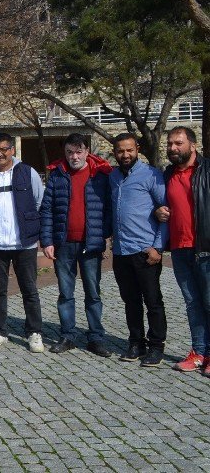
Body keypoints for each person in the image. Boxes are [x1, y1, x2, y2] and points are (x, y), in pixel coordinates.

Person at [40, 133, 113, 357]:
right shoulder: (57, 175)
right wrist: (47, 241)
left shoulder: (100, 175)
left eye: (79, 151)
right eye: (70, 152)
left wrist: (106, 237)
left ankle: (96, 337)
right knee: (65, 292)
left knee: (93, 292)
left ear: (87, 151)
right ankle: (68, 335)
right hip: (64, 243)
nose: (74, 156)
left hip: (90, 243)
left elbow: (108, 210)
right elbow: (47, 209)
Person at [0, 132, 46, 353]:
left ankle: (34, 332)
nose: (0, 154)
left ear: (12, 150)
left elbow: (38, 201)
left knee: (29, 290)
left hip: (24, 243)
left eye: (4, 149)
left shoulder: (27, 172)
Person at [109, 132, 168, 367]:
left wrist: (158, 247)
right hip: (122, 251)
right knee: (130, 301)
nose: (125, 154)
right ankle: (136, 342)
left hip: (146, 250)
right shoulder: (113, 177)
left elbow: (166, 212)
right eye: (121, 151)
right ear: (115, 152)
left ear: (138, 149)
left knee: (153, 301)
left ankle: (156, 346)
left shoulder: (152, 175)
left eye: (129, 150)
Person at [156, 126, 210, 374]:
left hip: (205, 247)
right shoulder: (167, 174)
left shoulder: (207, 171)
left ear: (192, 145)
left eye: (178, 143)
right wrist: (157, 211)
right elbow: (160, 204)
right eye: (170, 144)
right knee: (192, 303)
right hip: (179, 249)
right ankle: (199, 352)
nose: (173, 148)